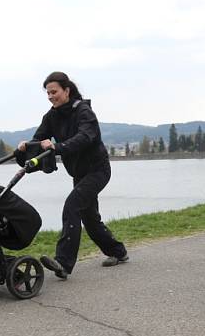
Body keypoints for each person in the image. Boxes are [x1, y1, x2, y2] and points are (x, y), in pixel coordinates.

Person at [17, 71, 128, 280]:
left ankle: (63, 263)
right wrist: (24, 148)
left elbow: (85, 137)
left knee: (72, 205)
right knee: (90, 218)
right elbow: (39, 140)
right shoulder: (51, 116)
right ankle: (118, 252)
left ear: (67, 90)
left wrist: (57, 147)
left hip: (98, 170)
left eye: (54, 92)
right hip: (78, 173)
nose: (51, 96)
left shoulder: (84, 112)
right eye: (48, 93)